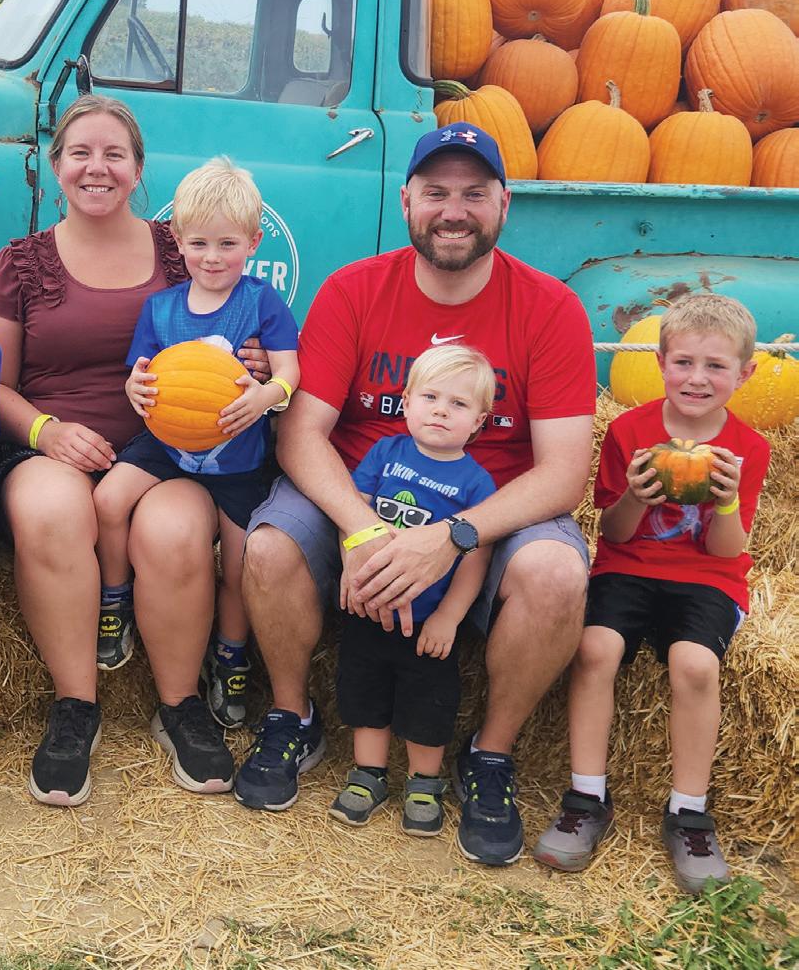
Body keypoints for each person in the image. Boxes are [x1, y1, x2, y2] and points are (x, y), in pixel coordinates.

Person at [237, 123, 596, 869]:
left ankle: (489, 756)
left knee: (557, 575)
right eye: (436, 192)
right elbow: (301, 437)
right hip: (361, 495)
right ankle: (292, 716)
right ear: (406, 202)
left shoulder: (550, 308)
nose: (453, 210)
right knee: (268, 547)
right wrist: (362, 530)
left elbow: (564, 474)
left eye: (473, 194)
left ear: (504, 204)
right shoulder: (354, 290)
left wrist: (454, 536)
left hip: (488, 514)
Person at [0, 94, 265, 807]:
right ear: (56, 166)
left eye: (114, 154)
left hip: (171, 449)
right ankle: (75, 706)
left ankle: (180, 705)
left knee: (174, 530)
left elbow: (243, 326)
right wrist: (46, 432)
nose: (96, 168)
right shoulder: (20, 264)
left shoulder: (185, 251)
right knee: (51, 513)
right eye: (80, 153)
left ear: (138, 169)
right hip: (51, 446)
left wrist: (254, 361)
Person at [533, 293, 769, 892]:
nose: (697, 378)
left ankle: (688, 811)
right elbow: (612, 532)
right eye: (683, 362)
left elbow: (727, 552)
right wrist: (636, 496)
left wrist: (726, 501)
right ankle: (587, 797)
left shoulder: (749, 448)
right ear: (660, 363)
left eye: (716, 366)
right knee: (595, 649)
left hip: (707, 577)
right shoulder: (629, 431)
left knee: (695, 664)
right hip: (628, 566)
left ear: (745, 373)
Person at [92, 158, 299, 736]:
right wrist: (134, 390)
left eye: (228, 244)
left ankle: (231, 656)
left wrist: (268, 397)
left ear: (253, 243)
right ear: (178, 241)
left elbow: (290, 371)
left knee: (239, 565)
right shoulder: (161, 308)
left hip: (238, 458)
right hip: (167, 443)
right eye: (200, 243)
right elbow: (140, 373)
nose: (212, 257)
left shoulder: (261, 303)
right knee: (108, 501)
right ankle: (115, 600)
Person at [329, 345, 495, 835]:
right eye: (430, 397)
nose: (441, 410)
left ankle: (424, 782)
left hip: (426, 622)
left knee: (428, 700)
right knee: (364, 691)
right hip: (369, 606)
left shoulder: (476, 483)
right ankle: (368, 774)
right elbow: (353, 515)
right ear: (406, 402)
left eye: (458, 404)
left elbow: (476, 557)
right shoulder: (385, 454)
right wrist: (351, 568)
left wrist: (449, 616)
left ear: (479, 421)